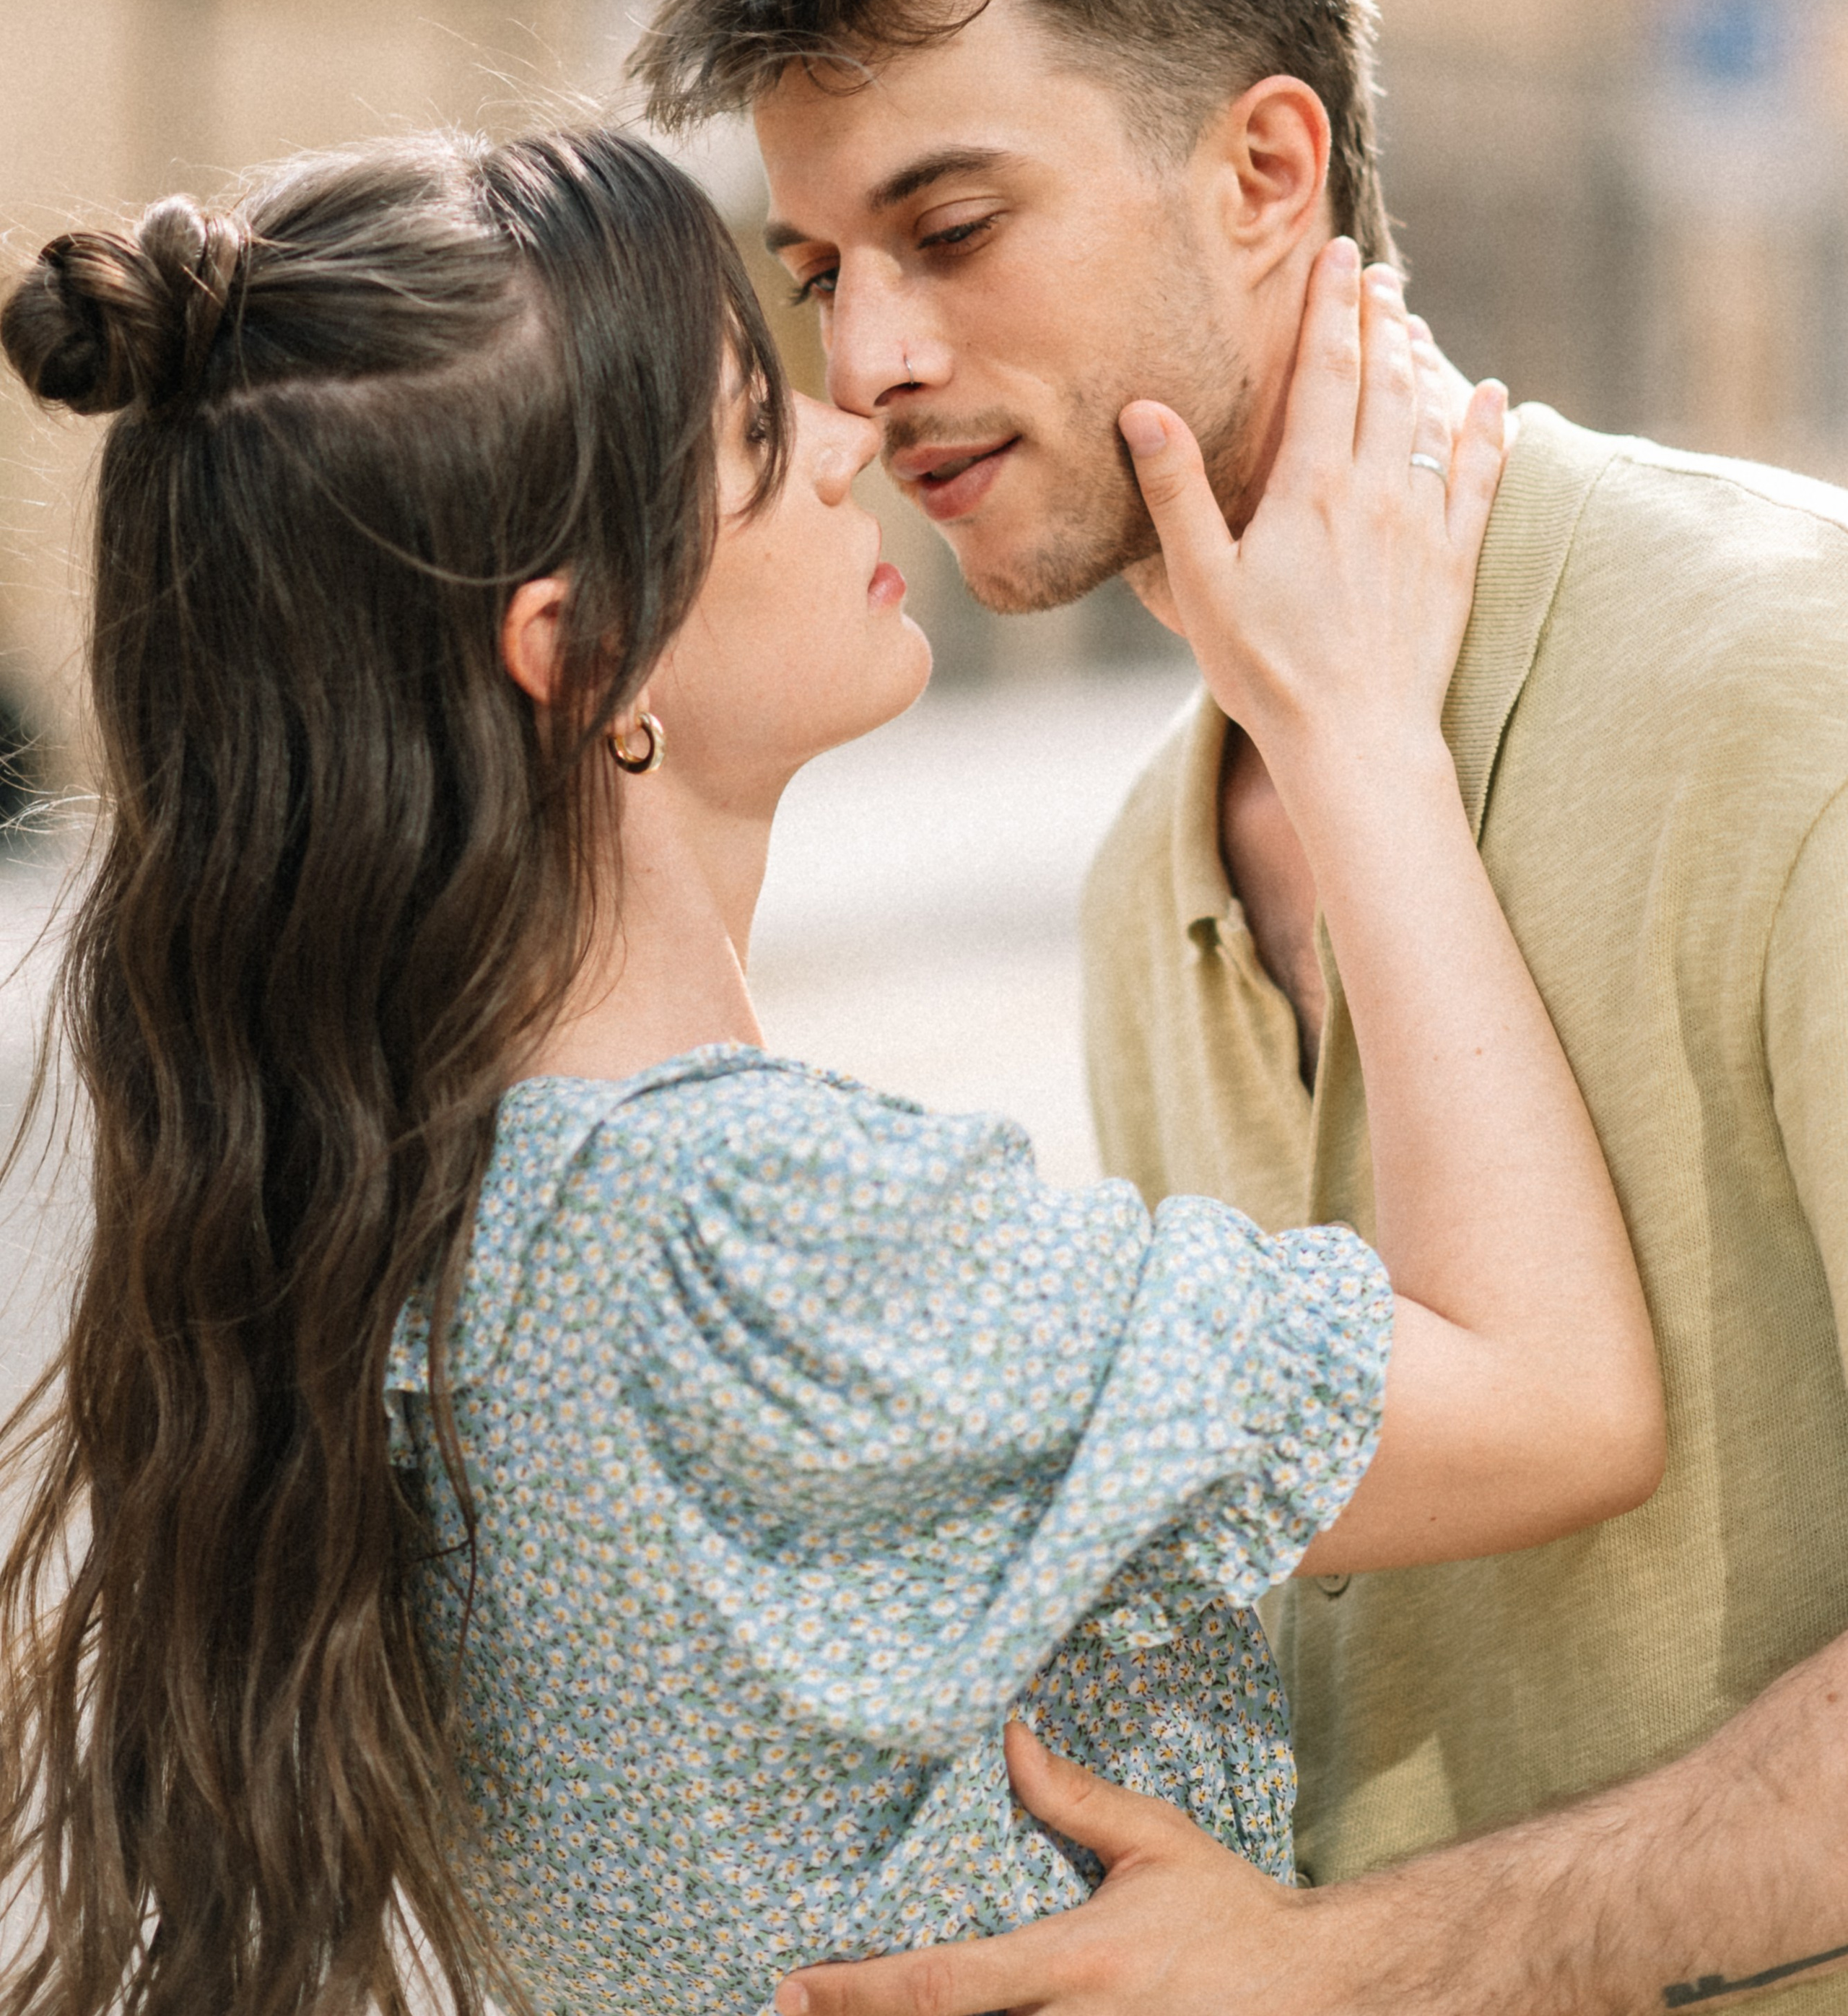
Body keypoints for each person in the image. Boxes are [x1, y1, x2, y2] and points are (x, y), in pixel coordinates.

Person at [0, 129, 1659, 2016]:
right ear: (583, 648)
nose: (851, 435)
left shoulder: (428, 1214)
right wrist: (1358, 726)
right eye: (755, 436)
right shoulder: (749, 1234)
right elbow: (1559, 1399)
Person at [629, 0, 1848, 2015]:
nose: (871, 357)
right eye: (816, 272)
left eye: (953, 224)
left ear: (1267, 172)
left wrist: (1363, 1960)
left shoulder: (1794, 696)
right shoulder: (1142, 880)